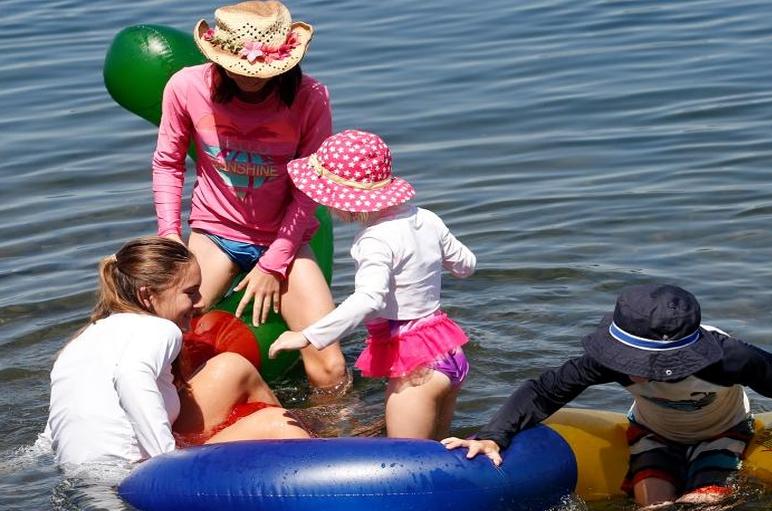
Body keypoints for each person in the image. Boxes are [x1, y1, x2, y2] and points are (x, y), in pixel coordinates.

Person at [443, 284, 772, 508]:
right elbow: (543, 390)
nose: (634, 371)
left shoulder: (728, 359)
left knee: (702, 506)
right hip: (653, 430)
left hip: (724, 430)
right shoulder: (608, 360)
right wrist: (493, 435)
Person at [151, 0, 347, 392]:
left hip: (283, 237)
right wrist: (169, 237)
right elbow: (168, 163)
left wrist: (274, 263)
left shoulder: (310, 97)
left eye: (260, 71)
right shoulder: (186, 87)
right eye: (238, 68)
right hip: (214, 233)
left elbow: (310, 186)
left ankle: (327, 427)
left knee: (330, 368)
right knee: (166, 347)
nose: (250, 77)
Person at [268, 130, 477, 440]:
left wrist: (308, 335)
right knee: (441, 451)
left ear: (342, 197)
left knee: (406, 460)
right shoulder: (427, 218)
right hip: (448, 351)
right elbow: (466, 265)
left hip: (414, 367)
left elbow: (369, 300)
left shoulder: (374, 239)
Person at [42, 237, 311, 469]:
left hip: (83, 476)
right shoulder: (162, 330)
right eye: (190, 292)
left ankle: (297, 440)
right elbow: (130, 375)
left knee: (232, 368)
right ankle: (320, 465)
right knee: (276, 423)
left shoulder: (81, 341)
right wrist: (168, 463)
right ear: (147, 295)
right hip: (134, 477)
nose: (201, 302)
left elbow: (58, 425)